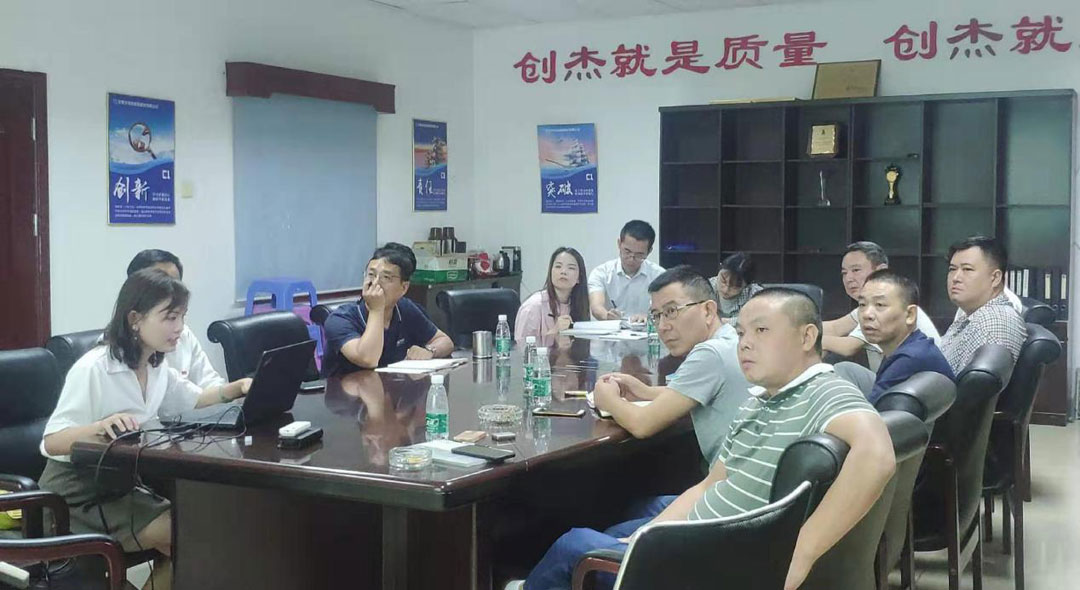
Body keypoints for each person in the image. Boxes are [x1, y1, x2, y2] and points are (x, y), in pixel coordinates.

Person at [508, 288, 895, 590]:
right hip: (707, 537)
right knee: (615, 533)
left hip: (718, 562)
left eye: (761, 331)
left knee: (573, 545)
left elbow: (878, 455)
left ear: (807, 336)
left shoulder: (823, 391)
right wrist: (647, 534)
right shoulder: (760, 399)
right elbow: (711, 485)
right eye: (741, 333)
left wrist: (802, 552)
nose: (745, 343)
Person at [39, 269, 252, 590]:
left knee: (198, 535)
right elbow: (52, 441)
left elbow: (195, 398)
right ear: (135, 319)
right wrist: (98, 427)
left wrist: (237, 388)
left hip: (121, 484)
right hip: (75, 493)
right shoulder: (95, 368)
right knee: (193, 537)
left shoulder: (155, 365)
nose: (180, 328)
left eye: (182, 317)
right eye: (170, 317)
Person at [593, 265, 751, 465]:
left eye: (671, 311)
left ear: (708, 310)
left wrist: (607, 399)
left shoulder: (710, 354)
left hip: (728, 481)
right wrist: (643, 391)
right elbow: (693, 392)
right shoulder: (729, 338)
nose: (662, 326)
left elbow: (642, 424)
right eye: (657, 315)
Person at [323, 243, 454, 375]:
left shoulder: (404, 308)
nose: (375, 283)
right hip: (346, 388)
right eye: (371, 274)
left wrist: (429, 351)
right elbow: (368, 359)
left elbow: (445, 341)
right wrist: (376, 310)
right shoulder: (340, 319)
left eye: (386, 277)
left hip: (392, 385)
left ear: (404, 288)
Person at [832, 270, 955, 403]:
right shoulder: (912, 345)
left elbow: (874, 414)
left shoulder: (909, 359)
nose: (867, 314)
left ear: (910, 315)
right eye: (862, 304)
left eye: (880, 305)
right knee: (845, 369)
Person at [822, 241, 940, 370]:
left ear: (881, 270)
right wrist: (805, 326)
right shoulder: (867, 308)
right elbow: (835, 328)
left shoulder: (890, 307)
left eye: (856, 270)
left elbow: (848, 347)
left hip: (912, 375)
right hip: (891, 373)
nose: (848, 278)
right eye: (844, 273)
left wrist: (813, 339)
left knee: (842, 368)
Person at [126, 249, 226, 389]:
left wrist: (235, 391)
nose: (171, 292)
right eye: (162, 286)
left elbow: (208, 383)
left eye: (175, 284)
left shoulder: (183, 335)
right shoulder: (106, 359)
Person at [939, 236, 1027, 374]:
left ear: (995, 278)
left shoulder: (993, 321)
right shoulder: (972, 314)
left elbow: (972, 384)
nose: (955, 278)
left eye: (967, 269)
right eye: (952, 269)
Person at [588, 220, 664, 322]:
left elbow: (666, 309)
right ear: (619, 244)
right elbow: (596, 307)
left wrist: (650, 317)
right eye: (627, 251)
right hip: (611, 330)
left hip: (646, 330)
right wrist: (607, 316)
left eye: (639, 255)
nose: (631, 259)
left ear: (649, 251)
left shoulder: (659, 276)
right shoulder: (601, 273)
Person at [515, 247, 590, 343]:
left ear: (579, 278)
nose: (563, 271)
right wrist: (555, 332)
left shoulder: (579, 304)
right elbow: (522, 346)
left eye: (571, 268)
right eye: (558, 266)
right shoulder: (533, 307)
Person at [708, 252, 764, 323]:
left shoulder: (756, 296)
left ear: (747, 286)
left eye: (736, 286)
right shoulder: (706, 286)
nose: (726, 290)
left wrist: (724, 322)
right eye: (723, 279)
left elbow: (757, 319)